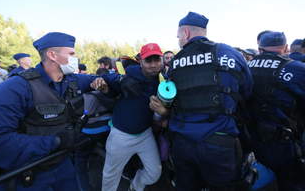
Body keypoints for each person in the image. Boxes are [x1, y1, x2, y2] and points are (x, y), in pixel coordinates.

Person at [0, 32, 140, 191]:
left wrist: (120, 79)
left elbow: (102, 78)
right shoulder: (16, 87)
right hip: (27, 173)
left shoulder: (73, 80)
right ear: (53, 55)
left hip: (62, 164)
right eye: (71, 54)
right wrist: (55, 141)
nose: (75, 58)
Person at [149, 11, 254, 190]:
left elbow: (172, 100)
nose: (178, 41)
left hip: (183, 144)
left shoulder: (175, 63)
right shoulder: (230, 52)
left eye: (178, 37)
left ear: (186, 34)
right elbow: (247, 92)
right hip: (219, 143)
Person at [93, 43, 164, 191]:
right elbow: (104, 76)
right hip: (120, 135)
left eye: (156, 60)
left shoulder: (164, 80)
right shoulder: (131, 71)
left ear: (162, 60)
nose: (153, 65)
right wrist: (121, 79)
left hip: (145, 134)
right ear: (141, 61)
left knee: (154, 173)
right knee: (110, 176)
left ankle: (135, 187)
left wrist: (163, 111)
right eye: (148, 61)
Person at [243, 32, 305, 190]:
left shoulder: (244, 66)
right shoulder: (297, 68)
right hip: (280, 143)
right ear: (285, 48)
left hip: (246, 138)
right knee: (292, 181)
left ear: (260, 48)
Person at [74, 68, 114, 191]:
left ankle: (85, 188)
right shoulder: (110, 89)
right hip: (110, 126)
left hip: (90, 131)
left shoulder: (82, 92)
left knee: (80, 158)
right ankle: (128, 172)